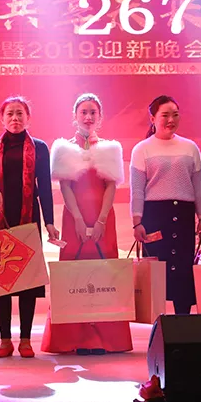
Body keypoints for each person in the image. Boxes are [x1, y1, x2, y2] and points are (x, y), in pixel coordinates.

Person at [41, 93, 132, 354]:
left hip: (104, 219)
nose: (88, 117)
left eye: (93, 112)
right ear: (75, 116)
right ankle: (72, 339)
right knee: (73, 274)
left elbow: (111, 186)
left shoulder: (110, 148)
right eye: (84, 112)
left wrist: (101, 219)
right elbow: (65, 187)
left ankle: (107, 339)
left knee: (106, 274)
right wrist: (79, 220)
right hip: (74, 219)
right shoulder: (63, 148)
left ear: (100, 116)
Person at [0, 96, 59, 358]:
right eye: (10, 114)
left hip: (28, 218)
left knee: (27, 281)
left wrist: (49, 222)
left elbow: (44, 188)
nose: (15, 118)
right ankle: (5, 340)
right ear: (2, 119)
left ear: (28, 118)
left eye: (19, 113)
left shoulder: (40, 148)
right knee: (0, 279)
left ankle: (25, 339)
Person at [130, 95, 201, 315]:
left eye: (175, 114)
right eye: (165, 115)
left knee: (183, 268)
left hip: (183, 216)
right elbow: (137, 190)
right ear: (153, 118)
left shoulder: (190, 148)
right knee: (157, 272)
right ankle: (158, 324)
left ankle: (183, 322)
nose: (171, 120)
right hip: (155, 217)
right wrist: (137, 222)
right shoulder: (141, 149)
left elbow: (198, 187)